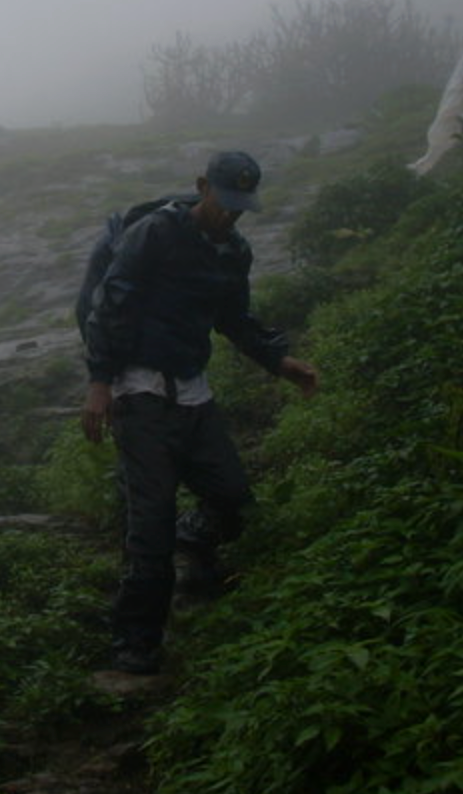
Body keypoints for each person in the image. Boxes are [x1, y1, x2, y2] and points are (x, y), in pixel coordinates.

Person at [79, 151, 319, 675]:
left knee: (232, 496)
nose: (231, 215)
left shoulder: (234, 252)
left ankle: (197, 539)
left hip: (193, 393)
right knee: (151, 525)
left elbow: (235, 318)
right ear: (201, 187)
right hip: (139, 392)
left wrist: (279, 361)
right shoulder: (156, 235)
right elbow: (110, 305)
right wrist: (100, 383)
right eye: (225, 203)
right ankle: (135, 641)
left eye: (241, 207)